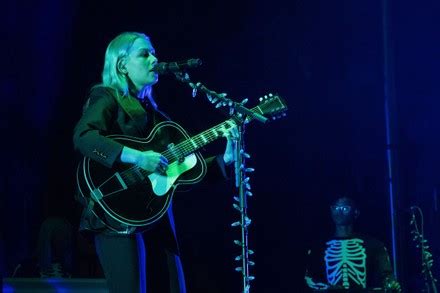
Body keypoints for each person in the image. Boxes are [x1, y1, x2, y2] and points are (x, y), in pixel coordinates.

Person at [73, 31, 238, 293]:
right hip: (116, 213)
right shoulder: (106, 97)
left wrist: (225, 159)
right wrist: (138, 157)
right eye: (144, 53)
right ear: (122, 64)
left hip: (155, 217)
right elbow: (84, 137)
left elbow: (178, 176)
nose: (154, 58)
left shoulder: (158, 119)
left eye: (153, 52)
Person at [304, 197, 401, 292]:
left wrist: (391, 284)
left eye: (345, 208)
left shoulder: (374, 245)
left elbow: (386, 276)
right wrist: (327, 289)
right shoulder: (318, 247)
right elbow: (309, 279)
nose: (340, 212)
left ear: (356, 213)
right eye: (336, 208)